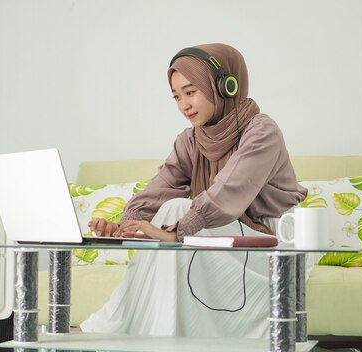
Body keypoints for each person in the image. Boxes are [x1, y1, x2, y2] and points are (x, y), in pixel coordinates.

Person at [81, 43, 307, 338]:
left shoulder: (262, 131)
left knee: (177, 209)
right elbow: (160, 188)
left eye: (191, 92)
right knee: (173, 209)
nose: (184, 105)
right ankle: (136, 332)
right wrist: (125, 227)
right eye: (176, 96)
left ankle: (107, 329)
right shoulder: (191, 140)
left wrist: (177, 231)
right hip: (220, 242)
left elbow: (227, 191)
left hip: (271, 248)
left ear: (225, 87)